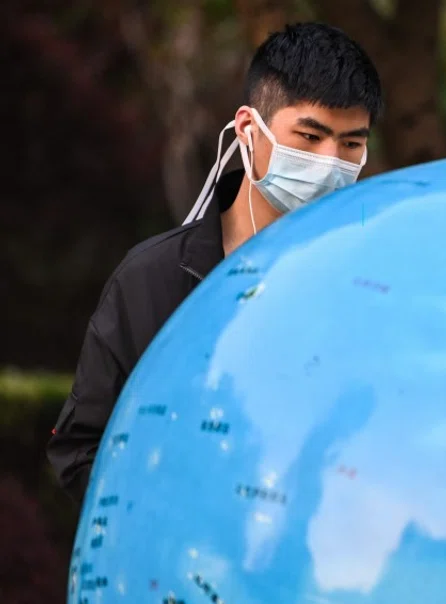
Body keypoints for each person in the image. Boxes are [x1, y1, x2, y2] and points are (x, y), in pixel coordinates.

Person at [46, 22, 384, 504]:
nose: (331, 163)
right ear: (249, 128)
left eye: (351, 144)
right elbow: (79, 453)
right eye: (310, 137)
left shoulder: (372, 283)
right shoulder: (155, 279)